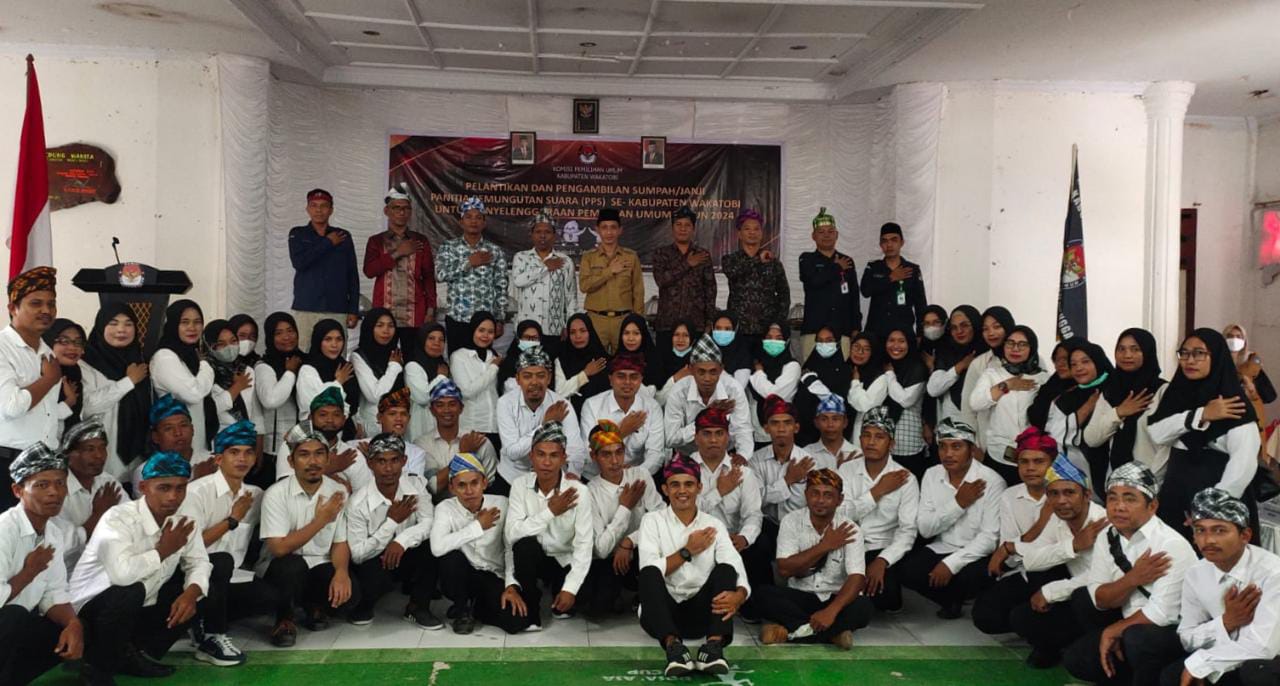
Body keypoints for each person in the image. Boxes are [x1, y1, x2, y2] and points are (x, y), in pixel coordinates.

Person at [71, 451, 211, 681]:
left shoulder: (184, 520)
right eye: (164, 488)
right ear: (144, 487)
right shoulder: (118, 518)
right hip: (92, 609)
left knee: (200, 588)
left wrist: (191, 593)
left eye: (180, 488)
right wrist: (163, 550)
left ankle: (132, 654)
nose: (173, 497)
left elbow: (200, 562)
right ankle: (96, 670)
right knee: (131, 591)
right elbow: (122, 576)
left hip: (140, 603)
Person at [1061, 462, 1197, 686]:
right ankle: (1120, 672)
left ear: (1152, 506)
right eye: (1112, 498)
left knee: (1138, 637)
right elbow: (1098, 598)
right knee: (1078, 654)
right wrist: (1133, 578)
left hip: (1172, 632)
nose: (1119, 507)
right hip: (1129, 620)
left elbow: (1163, 614)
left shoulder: (1171, 545)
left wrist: (1113, 630)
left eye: (1130, 499)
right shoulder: (1108, 535)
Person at [638, 455, 750, 677]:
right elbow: (650, 569)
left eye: (688, 484)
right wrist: (687, 551)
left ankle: (713, 647)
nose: (682, 491)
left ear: (699, 488)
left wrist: (740, 595)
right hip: (661, 614)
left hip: (703, 615)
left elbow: (735, 566)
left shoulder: (713, 524)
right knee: (649, 572)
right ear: (665, 489)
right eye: (675, 485)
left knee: (726, 570)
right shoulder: (652, 521)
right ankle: (674, 648)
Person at [1149, 328, 1261, 540]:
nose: (1190, 360)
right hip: (1175, 497)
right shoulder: (1177, 395)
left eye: (1199, 353)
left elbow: (1243, 464)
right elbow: (1158, 433)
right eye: (1184, 353)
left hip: (1221, 504)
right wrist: (1202, 414)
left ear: (1217, 356)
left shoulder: (1234, 403)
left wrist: (1208, 510)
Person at [1163, 488, 1280, 686]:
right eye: (1200, 530)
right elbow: (1186, 636)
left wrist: (1202, 663)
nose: (1208, 540)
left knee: (1256, 673)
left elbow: (1264, 648)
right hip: (1227, 653)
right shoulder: (1196, 573)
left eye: (1219, 530)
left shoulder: (1273, 573)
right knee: (1171, 675)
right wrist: (1226, 622)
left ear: (1245, 535)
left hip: (1269, 663)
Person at [258, 421, 359, 647]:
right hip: (282, 566)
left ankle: (313, 605)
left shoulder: (337, 491)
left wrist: (342, 572)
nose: (313, 462)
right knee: (292, 567)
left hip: (318, 563)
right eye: (304, 455)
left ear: (328, 458)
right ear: (291, 461)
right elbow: (279, 548)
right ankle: (284, 619)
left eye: (319, 454)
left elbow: (340, 542)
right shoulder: (276, 494)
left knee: (352, 595)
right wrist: (321, 520)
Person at [177, 419, 269, 666]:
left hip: (229, 577)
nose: (242, 459)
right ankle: (212, 636)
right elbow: (188, 548)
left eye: (248, 452)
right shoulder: (196, 493)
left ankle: (199, 619)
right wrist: (232, 520)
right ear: (218, 459)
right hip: (190, 574)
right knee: (221, 561)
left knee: (271, 596)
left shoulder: (255, 494)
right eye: (234, 452)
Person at [1007, 454, 1109, 669]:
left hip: (1105, 602)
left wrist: (1052, 591)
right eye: (1054, 494)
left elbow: (1105, 577)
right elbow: (1031, 560)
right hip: (1075, 593)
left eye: (1069, 492)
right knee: (1021, 616)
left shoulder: (1104, 523)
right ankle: (1053, 646)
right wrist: (1073, 546)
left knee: (1083, 599)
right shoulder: (1058, 518)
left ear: (1087, 495)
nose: (1061, 501)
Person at [900, 416, 1005, 619]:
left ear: (971, 450)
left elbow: (990, 539)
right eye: (943, 447)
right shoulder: (932, 474)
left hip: (977, 554)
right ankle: (950, 600)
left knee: (969, 577)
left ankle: (962, 594)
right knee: (907, 571)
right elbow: (925, 529)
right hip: (943, 546)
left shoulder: (992, 481)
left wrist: (951, 564)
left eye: (956, 447)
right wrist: (958, 504)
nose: (948, 454)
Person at [756, 468, 872, 650]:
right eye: (815, 493)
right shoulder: (791, 521)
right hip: (801, 596)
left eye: (828, 495)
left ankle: (791, 633)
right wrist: (825, 545)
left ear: (840, 500)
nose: (820, 500)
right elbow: (784, 569)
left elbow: (856, 578)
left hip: (835, 598)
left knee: (864, 607)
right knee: (762, 595)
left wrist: (831, 612)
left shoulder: (850, 529)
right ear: (806, 495)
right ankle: (833, 634)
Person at [0, 443, 85, 684]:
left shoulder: (53, 533)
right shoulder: (4, 530)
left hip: (13, 626)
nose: (54, 492)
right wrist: (29, 572)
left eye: (60, 483)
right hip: (7, 621)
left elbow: (54, 593)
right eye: (42, 485)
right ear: (18, 490)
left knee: (67, 627)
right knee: (14, 615)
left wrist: (74, 624)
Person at [972, 427, 1064, 636]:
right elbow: (1009, 554)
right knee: (985, 616)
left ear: (1052, 465)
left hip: (1057, 571)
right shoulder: (1010, 496)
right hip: (1023, 571)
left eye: (1038, 461)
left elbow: (1057, 550)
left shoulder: (1064, 495)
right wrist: (1039, 524)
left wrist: (1011, 548)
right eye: (1024, 461)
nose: (1030, 468)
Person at [345, 432, 440, 629]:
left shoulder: (416, 485)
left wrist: (401, 541)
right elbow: (357, 554)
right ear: (370, 463)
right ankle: (365, 605)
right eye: (381, 461)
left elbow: (429, 522)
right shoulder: (357, 503)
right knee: (368, 571)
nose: (388, 468)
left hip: (406, 553)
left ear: (404, 461)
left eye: (394, 460)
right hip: (374, 560)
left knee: (432, 547)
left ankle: (418, 607)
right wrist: (391, 522)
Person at [429, 452, 530, 635]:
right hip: (460, 575)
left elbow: (510, 548)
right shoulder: (445, 508)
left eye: (474, 483)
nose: (469, 491)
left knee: (516, 622)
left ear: (484, 483)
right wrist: (477, 526)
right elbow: (436, 548)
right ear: (452, 488)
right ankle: (462, 608)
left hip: (492, 574)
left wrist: (511, 585)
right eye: (461, 485)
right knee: (450, 557)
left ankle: (475, 608)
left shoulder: (503, 504)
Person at [505, 421, 594, 627]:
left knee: (589, 599)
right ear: (531, 456)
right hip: (535, 558)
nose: (546, 462)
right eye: (541, 454)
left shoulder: (579, 492)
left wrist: (570, 588)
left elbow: (584, 544)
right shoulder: (519, 486)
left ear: (563, 458)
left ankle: (559, 591)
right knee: (524, 546)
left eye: (553, 455)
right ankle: (531, 608)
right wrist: (550, 512)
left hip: (564, 559)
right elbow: (511, 534)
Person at [747, 396, 832, 598]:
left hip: (800, 525)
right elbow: (755, 500)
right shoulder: (756, 460)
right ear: (766, 428)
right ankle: (763, 596)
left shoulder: (811, 462)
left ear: (796, 427)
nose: (781, 429)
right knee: (755, 541)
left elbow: (819, 502)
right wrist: (787, 481)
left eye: (787, 423)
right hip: (769, 525)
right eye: (775, 423)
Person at [838, 407, 919, 613]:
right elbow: (841, 514)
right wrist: (877, 492)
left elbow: (907, 531)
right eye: (866, 435)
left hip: (881, 547)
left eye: (879, 437)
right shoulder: (847, 469)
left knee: (886, 600)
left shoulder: (906, 478)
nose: (871, 442)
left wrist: (883, 560)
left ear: (891, 444)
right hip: (846, 544)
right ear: (860, 439)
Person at [581, 419, 665, 617]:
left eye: (619, 452)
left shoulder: (640, 475)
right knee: (596, 611)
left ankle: (643, 593)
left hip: (641, 551)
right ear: (594, 456)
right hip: (608, 559)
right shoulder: (590, 492)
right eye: (606, 454)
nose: (615, 461)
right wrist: (625, 508)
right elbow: (601, 549)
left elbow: (662, 518)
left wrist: (629, 541)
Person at [0, 267, 66, 508]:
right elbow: (12, 407)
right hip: (8, 462)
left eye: (51, 304)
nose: (46, 311)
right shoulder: (2, 347)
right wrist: (48, 380)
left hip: (44, 463)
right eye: (36, 303)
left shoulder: (47, 352)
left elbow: (47, 415)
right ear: (13, 308)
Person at [687, 407, 763, 585]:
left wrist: (744, 538)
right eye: (707, 433)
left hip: (732, 539)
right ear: (696, 437)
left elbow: (753, 514)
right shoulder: (684, 469)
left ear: (728, 437)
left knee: (760, 546)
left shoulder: (743, 473)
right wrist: (719, 492)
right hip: (694, 540)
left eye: (719, 433)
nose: (713, 440)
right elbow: (686, 513)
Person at [1084, 328, 1170, 484]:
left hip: (1152, 484)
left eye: (1135, 349)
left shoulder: (1162, 391)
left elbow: (1167, 447)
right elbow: (1092, 439)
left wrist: (1149, 483)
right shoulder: (1110, 392)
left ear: (1148, 352)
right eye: (1121, 349)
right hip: (1116, 483)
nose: (1127, 355)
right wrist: (1119, 412)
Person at [496, 346, 587, 492]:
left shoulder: (561, 404)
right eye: (527, 376)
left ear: (549, 378)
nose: (534, 382)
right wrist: (545, 424)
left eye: (540, 375)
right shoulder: (505, 403)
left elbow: (576, 448)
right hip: (512, 478)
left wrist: (573, 472)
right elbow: (512, 452)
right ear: (518, 379)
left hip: (551, 479)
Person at [969, 325, 1051, 486]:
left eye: (1022, 344)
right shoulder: (992, 374)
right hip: (999, 453)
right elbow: (975, 403)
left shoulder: (1043, 378)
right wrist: (1007, 385)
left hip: (1033, 456)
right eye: (1010, 343)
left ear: (1032, 348)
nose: (1015, 349)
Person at [80, 303, 152, 484]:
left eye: (128, 324)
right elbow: (88, 407)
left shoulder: (140, 362)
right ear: (100, 326)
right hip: (102, 458)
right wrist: (128, 382)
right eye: (113, 323)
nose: (121, 329)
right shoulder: (86, 363)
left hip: (139, 461)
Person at [363, 185, 437, 350]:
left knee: (413, 357)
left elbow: (428, 277)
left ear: (410, 212)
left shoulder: (420, 241)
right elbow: (369, 271)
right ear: (386, 211)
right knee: (383, 356)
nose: (401, 212)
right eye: (396, 208)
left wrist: (431, 310)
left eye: (406, 208)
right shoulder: (376, 241)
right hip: (384, 313)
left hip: (414, 312)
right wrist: (397, 253)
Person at [151, 300, 219, 469]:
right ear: (173, 324)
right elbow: (193, 393)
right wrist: (206, 365)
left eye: (197, 322)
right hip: (176, 446)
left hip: (197, 444)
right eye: (185, 322)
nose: (192, 328)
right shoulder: (165, 357)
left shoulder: (190, 355)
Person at [435, 196, 509, 353]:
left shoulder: (494, 251)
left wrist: (500, 319)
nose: (473, 221)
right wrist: (468, 263)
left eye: (478, 217)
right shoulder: (449, 247)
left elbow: (501, 287)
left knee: (482, 363)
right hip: (457, 318)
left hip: (485, 323)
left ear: (484, 223)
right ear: (461, 222)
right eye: (468, 217)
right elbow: (439, 275)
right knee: (457, 362)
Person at [288, 188, 361, 342]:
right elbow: (299, 263)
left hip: (337, 307)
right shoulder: (298, 233)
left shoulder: (342, 236)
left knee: (335, 351)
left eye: (324, 206)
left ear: (331, 210)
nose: (319, 210)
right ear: (307, 209)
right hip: (306, 307)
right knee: (304, 351)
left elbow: (352, 275)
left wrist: (353, 309)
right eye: (314, 205)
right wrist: (327, 242)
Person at [663, 335, 754, 458]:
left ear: (721, 370)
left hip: (725, 454)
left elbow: (742, 429)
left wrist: (743, 455)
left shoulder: (733, 389)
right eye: (701, 372)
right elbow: (670, 439)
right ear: (691, 370)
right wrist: (707, 415)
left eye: (713, 372)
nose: (707, 378)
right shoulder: (678, 391)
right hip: (687, 457)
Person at [578, 352, 666, 478]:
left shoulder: (652, 407)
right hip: (597, 477)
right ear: (610, 379)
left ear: (641, 380)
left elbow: (656, 454)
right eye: (621, 376)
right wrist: (620, 433)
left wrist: (634, 474)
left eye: (634, 377)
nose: (627, 382)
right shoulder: (592, 405)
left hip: (638, 477)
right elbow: (587, 453)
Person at [1047, 341, 1116, 498]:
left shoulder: (1115, 391)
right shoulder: (1064, 399)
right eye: (1073, 364)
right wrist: (1084, 411)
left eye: (1085, 362)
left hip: (1112, 468)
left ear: (1098, 362)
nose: (1079, 368)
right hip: (1076, 473)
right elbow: (1053, 436)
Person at [54, 419, 122, 570]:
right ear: (68, 454)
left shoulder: (108, 482)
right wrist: (98, 515)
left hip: (106, 566)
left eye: (102, 448)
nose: (99, 455)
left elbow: (130, 522)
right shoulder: (55, 490)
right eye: (90, 449)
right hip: (65, 573)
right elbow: (60, 547)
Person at [415, 380, 497, 501]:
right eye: (440, 405)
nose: (446, 410)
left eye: (452, 404)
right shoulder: (422, 444)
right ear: (432, 410)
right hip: (436, 508)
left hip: (476, 507)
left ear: (461, 408)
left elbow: (488, 485)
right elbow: (433, 487)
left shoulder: (479, 441)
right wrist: (463, 454)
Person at [721, 208, 789, 351]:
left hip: (766, 332)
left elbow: (784, 294)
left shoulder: (773, 262)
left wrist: (777, 324)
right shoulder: (730, 259)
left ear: (762, 233)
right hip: (739, 330)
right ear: (739, 234)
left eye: (756, 229)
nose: (752, 232)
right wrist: (758, 260)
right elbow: (733, 272)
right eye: (747, 229)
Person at [798, 208, 861, 360]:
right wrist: (836, 267)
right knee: (810, 372)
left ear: (837, 235)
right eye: (821, 232)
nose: (826, 235)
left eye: (830, 231)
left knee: (842, 372)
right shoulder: (807, 259)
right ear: (813, 236)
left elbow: (854, 296)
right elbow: (813, 281)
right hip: (814, 329)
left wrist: (856, 327)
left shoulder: (847, 261)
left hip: (842, 329)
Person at [579, 207, 644, 353]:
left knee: (624, 362)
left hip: (623, 320)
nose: (609, 232)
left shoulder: (630, 256)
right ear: (597, 230)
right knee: (597, 361)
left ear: (620, 230)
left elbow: (638, 291)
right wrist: (609, 271)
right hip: (596, 320)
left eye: (613, 227)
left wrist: (637, 321)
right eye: (604, 227)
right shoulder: (589, 257)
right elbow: (584, 286)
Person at [651, 207, 716, 351]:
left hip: (696, 325)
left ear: (693, 229)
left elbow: (710, 290)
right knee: (665, 364)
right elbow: (661, 280)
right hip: (667, 324)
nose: (683, 229)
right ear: (672, 228)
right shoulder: (661, 254)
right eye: (678, 224)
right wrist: (687, 264)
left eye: (687, 225)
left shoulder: (702, 255)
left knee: (695, 363)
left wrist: (709, 322)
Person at [511, 210, 576, 353]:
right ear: (531, 234)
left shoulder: (565, 261)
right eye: (538, 231)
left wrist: (569, 325)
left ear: (555, 235)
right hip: (527, 330)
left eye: (547, 232)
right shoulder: (521, 257)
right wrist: (545, 268)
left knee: (551, 364)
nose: (542, 236)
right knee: (527, 363)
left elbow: (571, 297)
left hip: (554, 329)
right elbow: (518, 281)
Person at [253, 312, 304, 487]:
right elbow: (271, 400)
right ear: (270, 337)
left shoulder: (305, 361)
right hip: (273, 451)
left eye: (290, 330)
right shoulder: (264, 366)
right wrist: (289, 373)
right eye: (278, 333)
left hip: (305, 447)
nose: (286, 337)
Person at [958, 306, 1017, 446]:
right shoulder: (979, 364)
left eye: (997, 327)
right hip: (988, 444)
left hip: (1025, 446)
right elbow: (968, 409)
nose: (991, 333)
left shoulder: (1032, 361)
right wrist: (973, 445)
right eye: (985, 329)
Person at [859, 222, 926, 339]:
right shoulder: (873, 267)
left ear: (902, 242)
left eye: (894, 240)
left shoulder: (912, 270)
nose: (889, 245)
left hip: (903, 334)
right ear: (880, 244)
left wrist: (921, 335)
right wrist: (890, 278)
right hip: (876, 332)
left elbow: (921, 305)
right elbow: (865, 291)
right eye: (884, 241)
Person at [741, 321, 801, 446]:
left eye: (779, 338)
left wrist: (759, 373)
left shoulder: (792, 366)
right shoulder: (754, 363)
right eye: (769, 337)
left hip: (780, 432)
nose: (773, 341)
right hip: (753, 432)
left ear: (787, 341)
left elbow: (774, 395)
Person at [302, 389, 372, 493]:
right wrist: (328, 469)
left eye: (336, 415)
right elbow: (285, 491)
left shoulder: (352, 455)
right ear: (310, 418)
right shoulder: (292, 448)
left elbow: (364, 497)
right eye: (323, 415)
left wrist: (348, 496)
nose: (330, 420)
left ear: (343, 419)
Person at [882, 327, 930, 479]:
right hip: (882, 443)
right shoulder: (881, 364)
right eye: (891, 340)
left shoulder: (917, 368)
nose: (896, 345)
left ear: (910, 343)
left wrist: (890, 374)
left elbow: (906, 400)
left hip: (908, 443)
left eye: (901, 341)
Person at [927, 305, 985, 427]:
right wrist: (960, 366)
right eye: (954, 327)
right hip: (952, 424)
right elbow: (933, 389)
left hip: (982, 422)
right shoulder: (946, 352)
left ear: (975, 325)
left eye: (965, 325)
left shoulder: (987, 353)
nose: (959, 331)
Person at [350, 308, 404, 437]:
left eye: (390, 326)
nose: (386, 331)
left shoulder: (396, 353)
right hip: (373, 425)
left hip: (399, 424)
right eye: (380, 326)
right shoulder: (359, 356)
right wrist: (394, 367)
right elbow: (374, 395)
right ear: (370, 328)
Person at [296, 318, 359, 424]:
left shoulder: (345, 367)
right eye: (328, 339)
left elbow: (355, 402)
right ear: (318, 341)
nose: (334, 345)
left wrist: (357, 422)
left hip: (347, 429)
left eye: (339, 339)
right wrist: (338, 382)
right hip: (317, 430)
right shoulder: (308, 369)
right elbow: (313, 405)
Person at [133, 394, 205, 486]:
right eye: (168, 428)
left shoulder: (211, 461)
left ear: (192, 429)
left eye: (183, 425)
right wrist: (198, 479)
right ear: (155, 437)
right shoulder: (146, 472)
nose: (178, 433)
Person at [450, 311, 502, 438]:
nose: (485, 335)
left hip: (496, 425)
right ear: (473, 330)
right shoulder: (459, 356)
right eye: (481, 330)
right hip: (471, 426)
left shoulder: (495, 356)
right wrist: (493, 368)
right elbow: (466, 391)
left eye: (490, 332)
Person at [203, 319, 260, 432]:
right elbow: (206, 411)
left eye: (233, 341)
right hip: (218, 437)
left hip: (245, 436)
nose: (229, 347)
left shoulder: (246, 370)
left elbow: (254, 412)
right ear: (209, 346)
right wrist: (236, 388)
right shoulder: (205, 370)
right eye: (221, 344)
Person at [555, 313, 611, 414]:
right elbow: (560, 392)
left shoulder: (603, 360)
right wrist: (585, 374)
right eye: (572, 332)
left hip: (603, 416)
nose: (578, 336)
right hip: (572, 416)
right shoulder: (562, 360)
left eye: (583, 331)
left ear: (590, 332)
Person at [404, 322, 450, 443]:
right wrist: (440, 377)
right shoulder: (413, 366)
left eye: (441, 340)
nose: (436, 343)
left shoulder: (443, 365)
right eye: (431, 338)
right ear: (422, 340)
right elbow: (422, 397)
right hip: (420, 424)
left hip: (442, 423)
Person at [367, 388, 428, 477]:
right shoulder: (359, 447)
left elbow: (414, 484)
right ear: (379, 417)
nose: (399, 418)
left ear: (409, 419)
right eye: (392, 414)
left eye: (403, 414)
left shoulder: (416, 453)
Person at [1225, 323, 1276, 426]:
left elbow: (1269, 396)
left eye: (1238, 337)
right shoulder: (1215, 363)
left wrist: (1252, 392)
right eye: (1230, 336)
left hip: (1248, 419)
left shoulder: (1252, 365)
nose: (1234, 340)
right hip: (1224, 418)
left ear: (1244, 341)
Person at [846, 332, 891, 443]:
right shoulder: (844, 369)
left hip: (860, 437)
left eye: (866, 349)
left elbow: (866, 406)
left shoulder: (880, 378)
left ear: (873, 353)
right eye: (856, 347)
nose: (860, 352)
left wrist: (855, 382)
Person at [43, 318, 85, 433]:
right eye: (64, 341)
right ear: (48, 342)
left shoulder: (74, 374)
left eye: (78, 342)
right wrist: (69, 402)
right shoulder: (36, 375)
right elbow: (33, 420)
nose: (72, 347)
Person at [616, 313, 666, 397]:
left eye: (636, 333)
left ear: (643, 335)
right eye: (626, 333)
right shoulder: (615, 362)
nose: (631, 338)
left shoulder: (654, 362)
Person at [805, 394, 859, 468]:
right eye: (824, 419)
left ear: (845, 423)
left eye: (835, 419)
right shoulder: (806, 454)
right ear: (816, 423)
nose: (830, 424)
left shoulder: (858, 454)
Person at [497, 320, 548, 394]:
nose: (531, 341)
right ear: (518, 339)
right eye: (526, 337)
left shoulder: (545, 361)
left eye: (534, 338)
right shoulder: (509, 363)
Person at [656, 320, 697, 408]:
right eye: (676, 334)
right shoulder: (661, 360)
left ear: (692, 338)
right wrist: (674, 379)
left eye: (686, 335)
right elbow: (657, 401)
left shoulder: (698, 361)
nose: (680, 339)